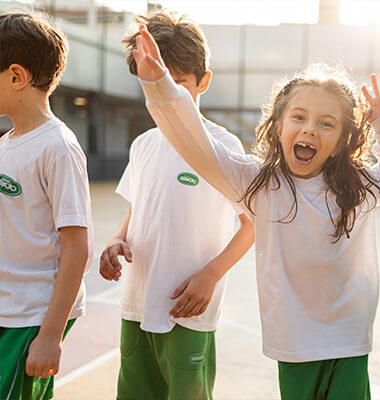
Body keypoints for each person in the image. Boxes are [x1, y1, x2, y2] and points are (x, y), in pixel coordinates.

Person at [131, 25, 380, 399]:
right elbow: (196, 144)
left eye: (326, 123)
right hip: (294, 340)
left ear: (342, 141)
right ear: (278, 126)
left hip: (348, 337)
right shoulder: (258, 184)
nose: (310, 130)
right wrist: (160, 87)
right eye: (298, 117)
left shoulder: (356, 186)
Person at [99, 12, 254, 400]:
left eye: (178, 83)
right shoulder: (144, 144)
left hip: (188, 309)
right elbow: (137, 210)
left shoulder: (224, 148)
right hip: (136, 304)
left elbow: (253, 225)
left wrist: (210, 275)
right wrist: (115, 239)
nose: (165, 92)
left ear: (204, 81)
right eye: (153, 80)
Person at [0, 12, 93, 400]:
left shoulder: (57, 147)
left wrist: (50, 335)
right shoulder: (6, 143)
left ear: (17, 77)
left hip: (33, 315)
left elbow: (77, 247)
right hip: (8, 307)